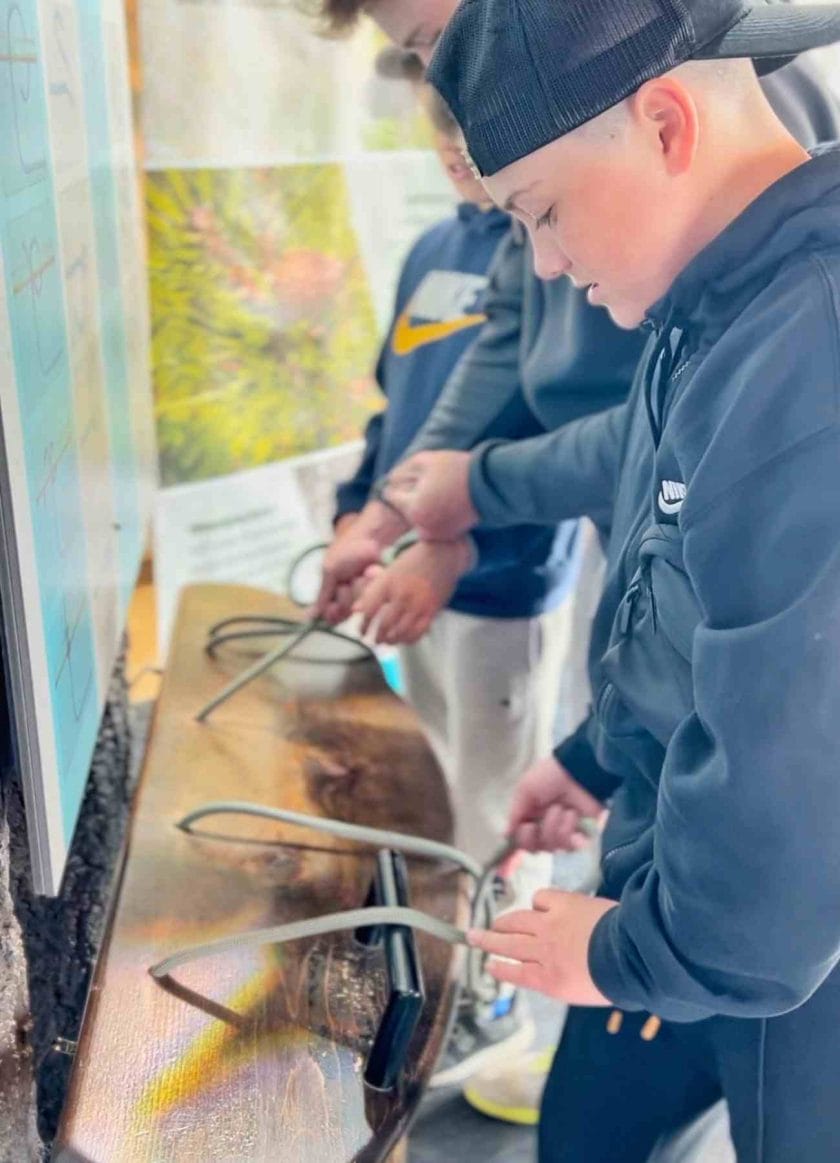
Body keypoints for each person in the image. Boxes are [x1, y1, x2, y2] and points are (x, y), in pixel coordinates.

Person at [311, 0, 840, 1131]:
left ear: (662, 125)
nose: (544, 263)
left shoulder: (810, 355)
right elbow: (677, 566)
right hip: (671, 871)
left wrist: (623, 947)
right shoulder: (707, 307)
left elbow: (793, 795)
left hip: (779, 955)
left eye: (544, 215)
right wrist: (595, 753)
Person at [331, 81, 580, 1085]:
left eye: (473, 148)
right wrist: (359, 507)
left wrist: (465, 539)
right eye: (443, 146)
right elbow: (398, 407)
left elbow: (553, 430)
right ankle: (451, 966)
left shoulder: (550, 254)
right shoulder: (432, 253)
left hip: (501, 577)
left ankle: (497, 998)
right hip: (409, 578)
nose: (458, 164)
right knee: (434, 788)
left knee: (501, 804)